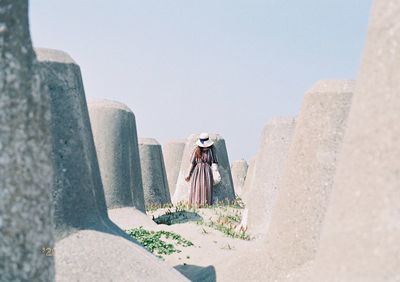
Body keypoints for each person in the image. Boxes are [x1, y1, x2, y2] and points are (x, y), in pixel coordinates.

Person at [185, 132, 218, 207]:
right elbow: (192, 163)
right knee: (197, 187)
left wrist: (215, 172)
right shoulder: (196, 151)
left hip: (207, 171)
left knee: (206, 187)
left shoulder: (211, 151)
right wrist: (188, 174)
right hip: (198, 171)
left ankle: (205, 204)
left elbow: (214, 162)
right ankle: (196, 204)